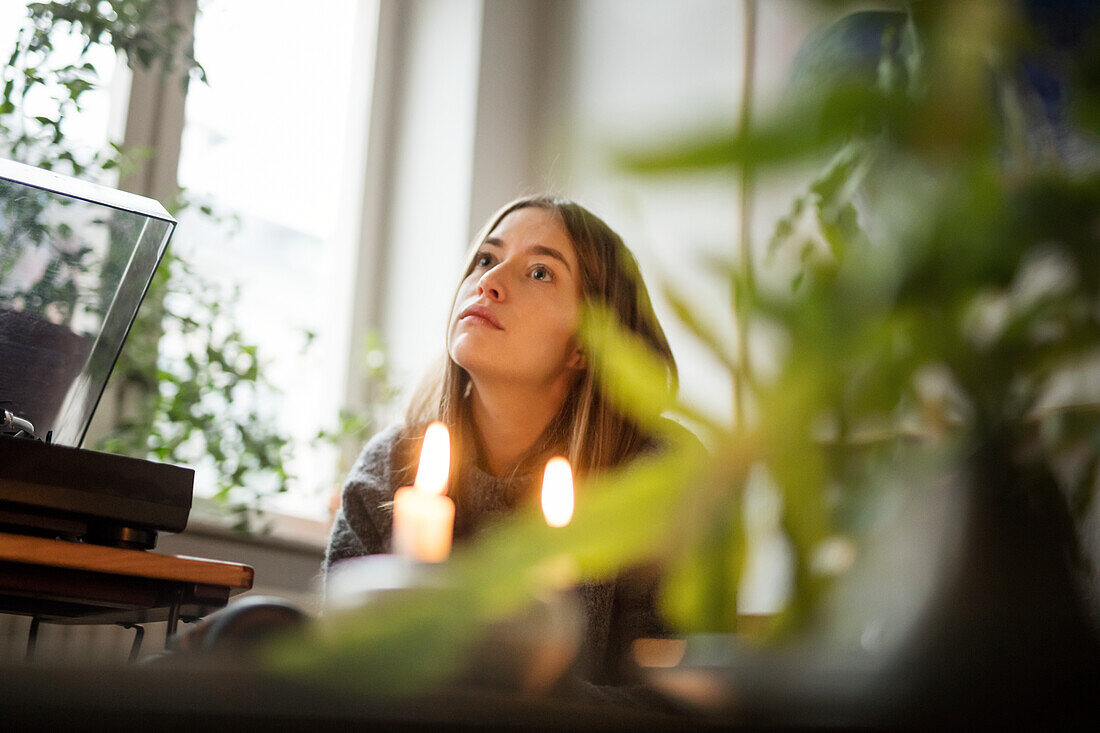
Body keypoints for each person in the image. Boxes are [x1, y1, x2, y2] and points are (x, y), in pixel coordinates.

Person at [323, 194, 691, 693]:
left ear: (589, 344)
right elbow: (340, 675)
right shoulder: (390, 469)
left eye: (540, 272)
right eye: (486, 259)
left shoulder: (658, 480)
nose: (488, 283)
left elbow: (671, 702)